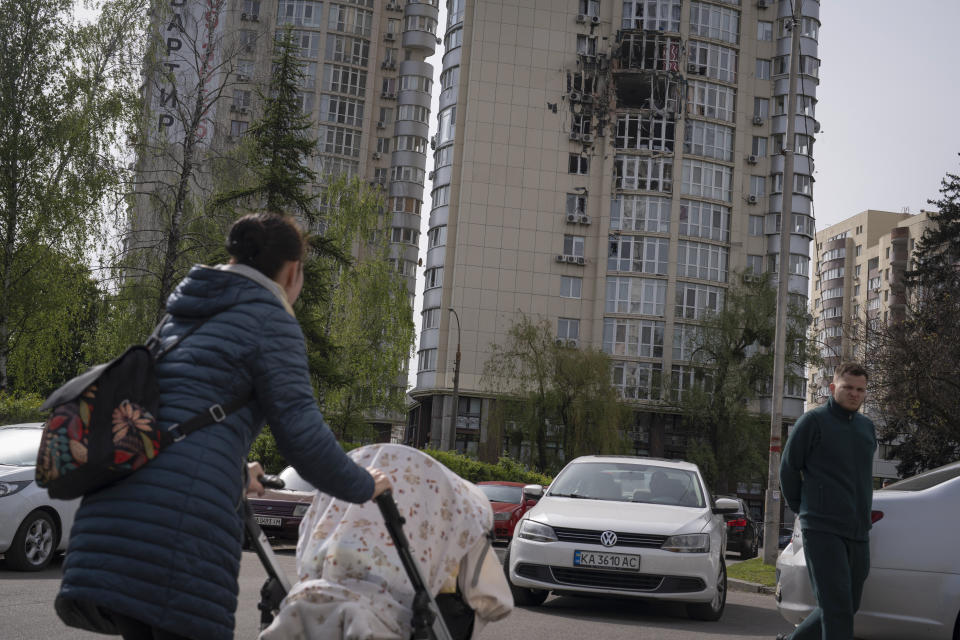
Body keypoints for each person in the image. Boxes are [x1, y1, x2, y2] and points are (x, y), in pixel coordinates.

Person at [55, 213, 391, 640]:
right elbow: (303, 439)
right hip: (177, 532)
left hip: (113, 514)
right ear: (292, 271)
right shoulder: (271, 320)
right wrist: (366, 484)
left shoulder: (182, 314)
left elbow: (172, 421)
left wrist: (234, 470)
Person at [260, 443, 513, 640]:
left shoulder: (342, 547)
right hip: (403, 616)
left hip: (316, 605)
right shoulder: (424, 546)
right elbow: (494, 603)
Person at [776, 362, 876, 640]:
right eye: (848, 388)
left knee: (847, 606)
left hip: (858, 532)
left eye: (860, 390)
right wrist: (804, 508)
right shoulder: (813, 421)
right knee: (837, 610)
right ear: (833, 388)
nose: (854, 394)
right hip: (822, 528)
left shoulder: (867, 427)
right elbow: (788, 468)